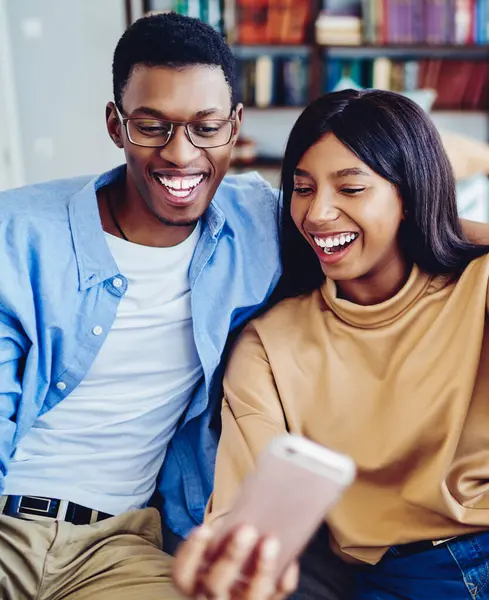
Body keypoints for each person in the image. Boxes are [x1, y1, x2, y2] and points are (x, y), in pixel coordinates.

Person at [172, 88, 489, 600]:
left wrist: (446, 231)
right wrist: (229, 556)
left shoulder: (478, 285)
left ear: (409, 195)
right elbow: (242, 498)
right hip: (401, 579)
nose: (317, 213)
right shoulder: (269, 345)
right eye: (301, 188)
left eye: (351, 188)